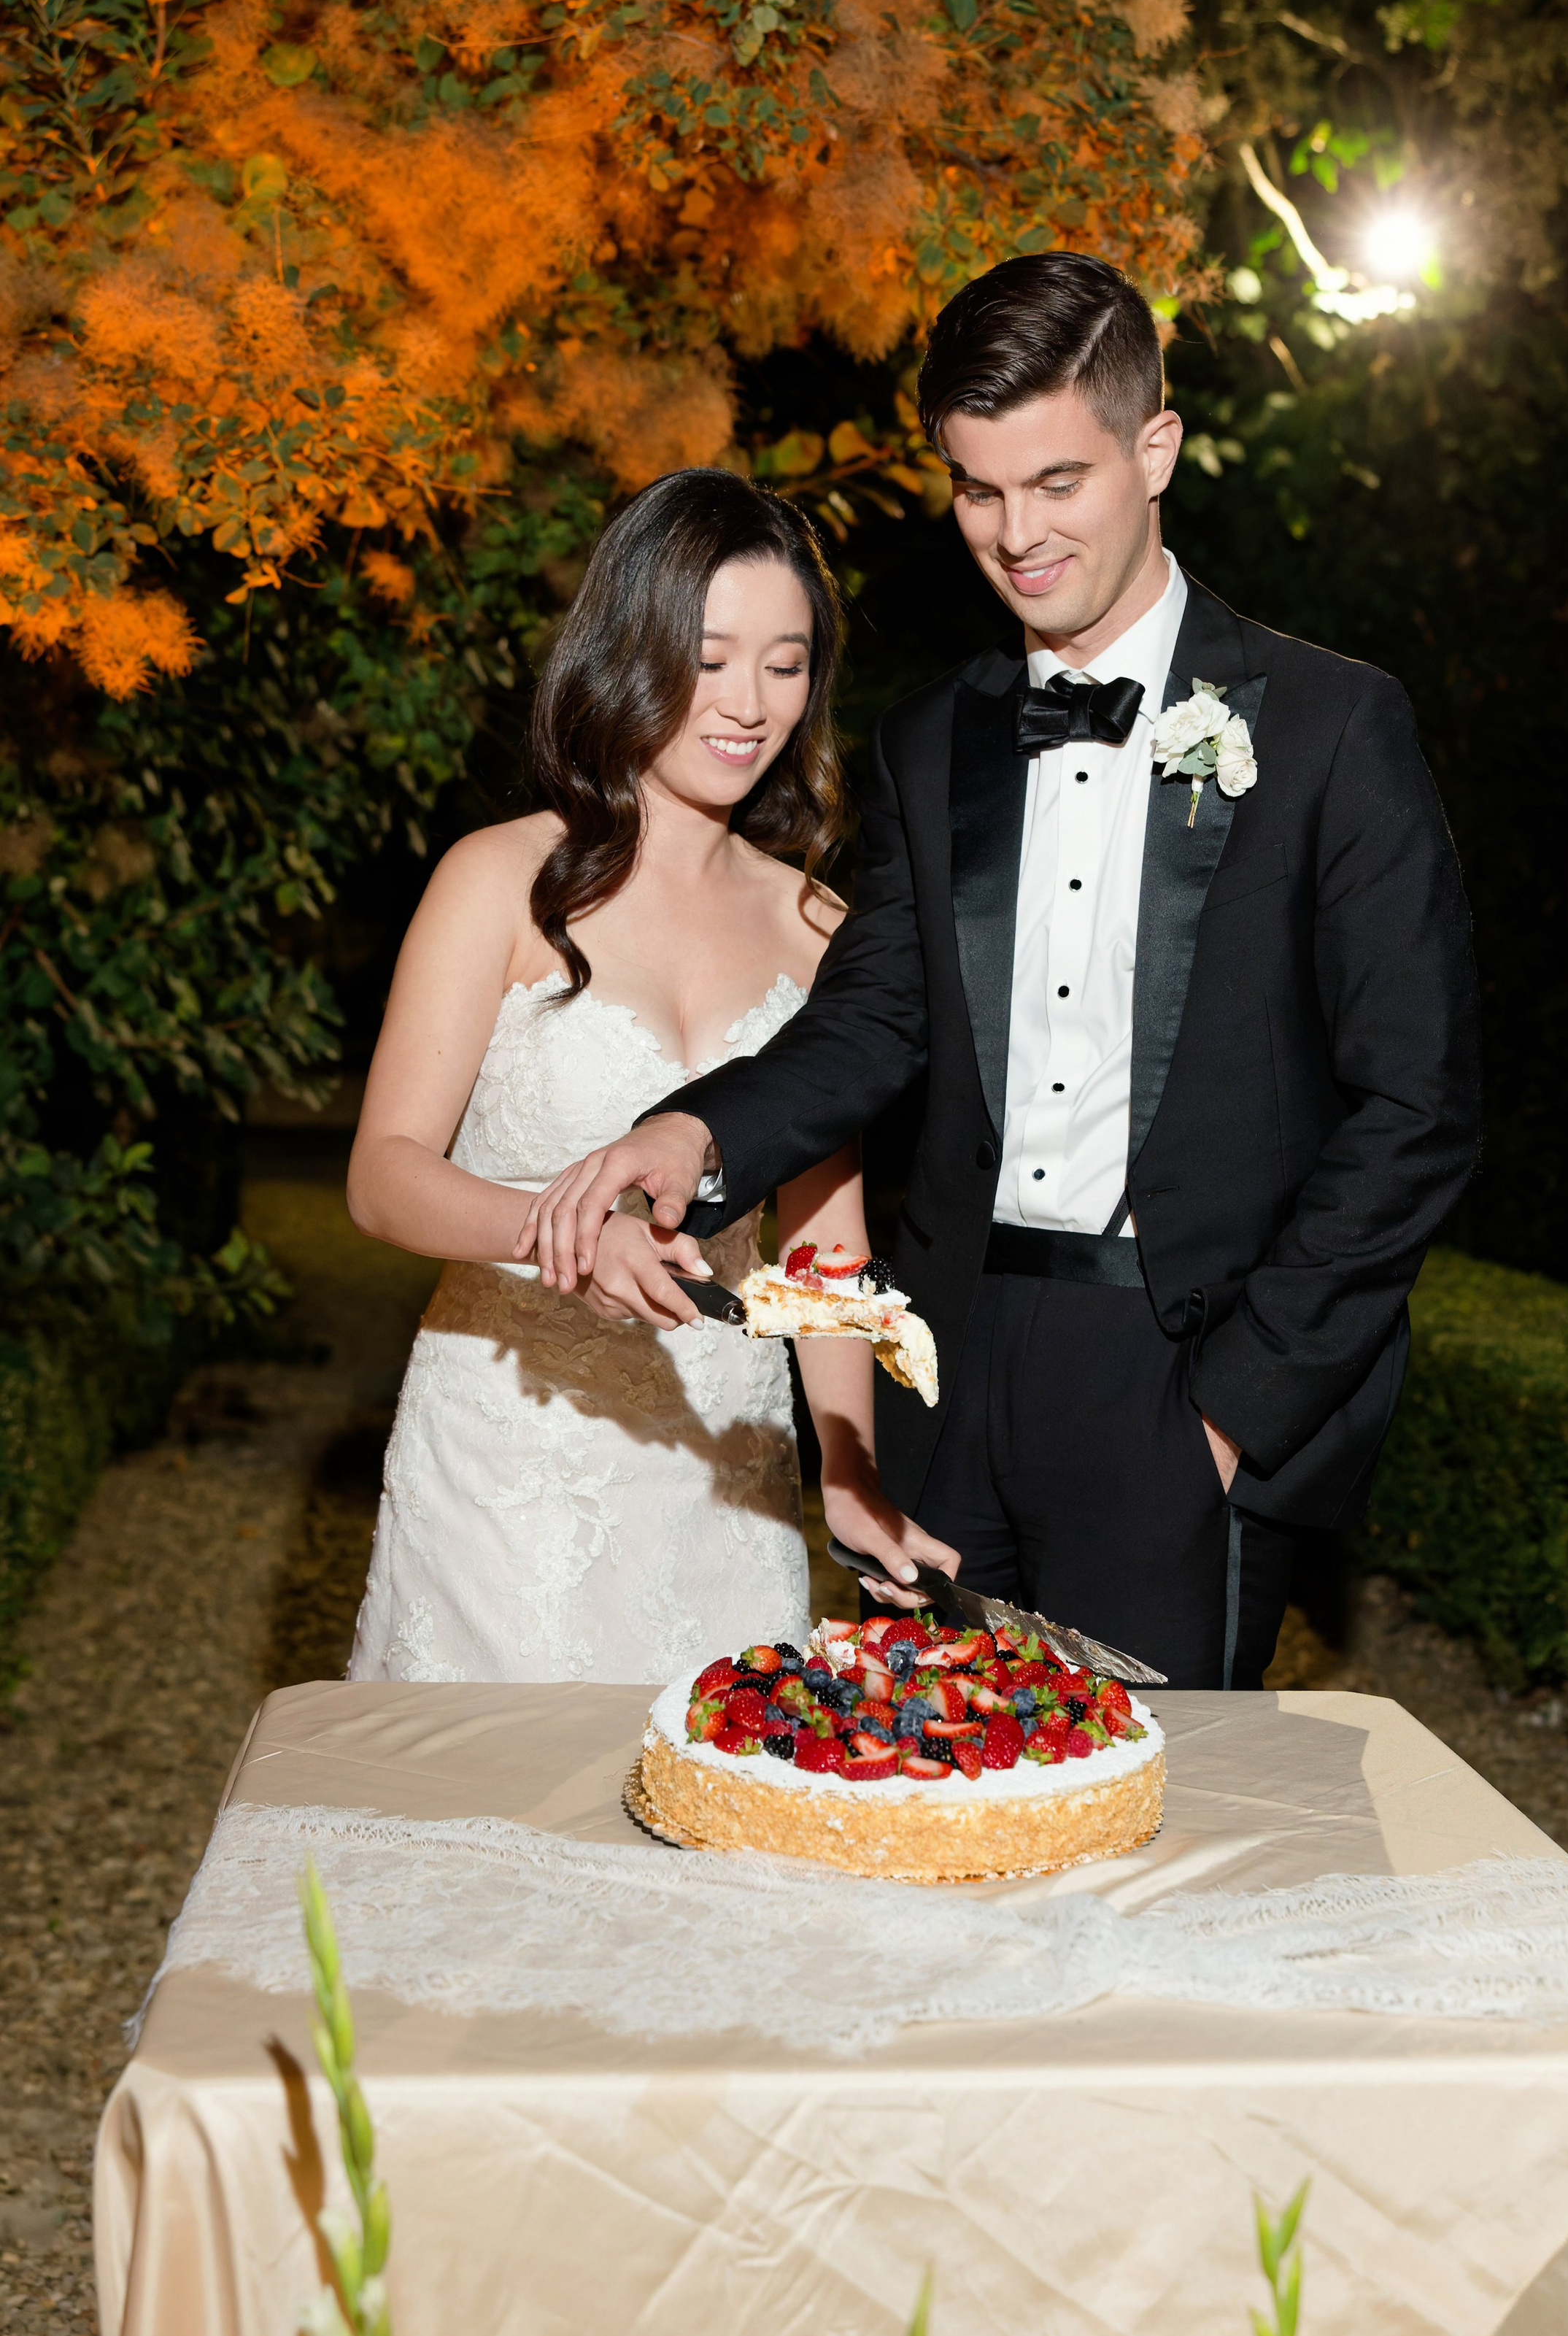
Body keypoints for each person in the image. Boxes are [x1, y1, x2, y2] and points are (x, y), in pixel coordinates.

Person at [522, 255, 1483, 1687]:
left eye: (1054, 484)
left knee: (1139, 1841)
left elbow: (1416, 1104)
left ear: (1151, 450)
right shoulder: (934, 742)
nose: (1013, 536)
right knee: (923, 1806)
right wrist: (695, 1131)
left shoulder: (1335, 727)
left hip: (1178, 1376)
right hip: (948, 1372)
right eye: (976, 491)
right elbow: (872, 1022)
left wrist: (1229, 1413)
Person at [344, 468, 954, 1684]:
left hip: (726, 1474)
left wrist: (848, 1469)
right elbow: (384, 1178)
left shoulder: (821, 925)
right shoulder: (502, 879)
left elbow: (823, 1244)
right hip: (508, 1466)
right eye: (711, 657)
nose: (749, 704)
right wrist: (557, 1226)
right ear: (634, 646)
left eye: (786, 665)